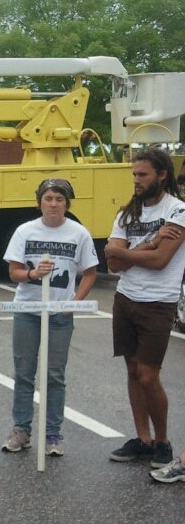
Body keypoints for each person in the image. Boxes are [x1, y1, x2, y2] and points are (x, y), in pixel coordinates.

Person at [1, 178, 98, 456]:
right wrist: (33, 274)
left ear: (67, 203)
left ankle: (53, 434)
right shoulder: (25, 231)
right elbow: (14, 272)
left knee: (54, 374)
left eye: (59, 199)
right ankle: (21, 429)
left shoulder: (78, 233)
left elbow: (90, 272)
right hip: (27, 310)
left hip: (59, 314)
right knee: (24, 373)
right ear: (39, 201)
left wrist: (75, 302)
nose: (53, 203)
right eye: (48, 198)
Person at [104, 147, 185, 468]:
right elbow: (111, 263)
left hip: (158, 304)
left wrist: (129, 252)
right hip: (125, 300)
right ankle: (143, 440)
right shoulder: (126, 214)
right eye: (134, 175)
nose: (136, 180)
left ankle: (162, 442)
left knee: (149, 376)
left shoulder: (178, 211)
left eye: (143, 174)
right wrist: (150, 242)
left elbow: (161, 261)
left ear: (162, 175)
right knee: (132, 371)